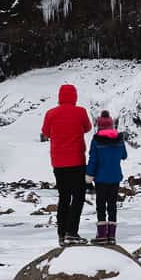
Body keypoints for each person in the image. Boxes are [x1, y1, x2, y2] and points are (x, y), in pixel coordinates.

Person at [41, 84, 92, 246]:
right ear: (74, 97)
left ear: (60, 96)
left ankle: (61, 234)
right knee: (78, 197)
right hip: (77, 161)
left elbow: (46, 132)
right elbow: (88, 128)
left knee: (63, 198)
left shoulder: (51, 113)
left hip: (59, 163)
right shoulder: (80, 112)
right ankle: (72, 232)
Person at [86, 111, 127, 245]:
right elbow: (124, 155)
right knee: (112, 205)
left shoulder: (96, 140)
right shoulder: (119, 139)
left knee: (101, 205)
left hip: (101, 178)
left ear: (99, 126)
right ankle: (112, 236)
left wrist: (89, 177)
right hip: (115, 177)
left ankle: (102, 235)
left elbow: (93, 160)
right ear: (111, 125)